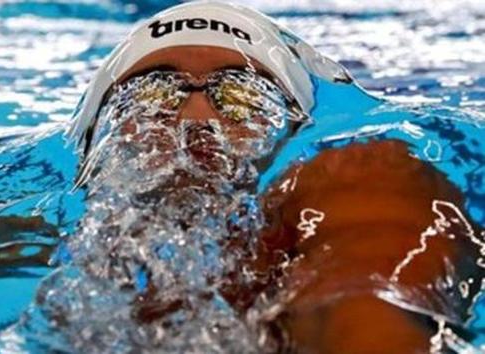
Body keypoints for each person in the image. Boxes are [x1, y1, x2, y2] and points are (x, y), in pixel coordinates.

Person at [51, 1, 484, 353]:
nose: (197, 118)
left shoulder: (355, 180)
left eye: (241, 94)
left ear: (295, 127)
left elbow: (362, 309)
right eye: (153, 94)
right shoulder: (35, 234)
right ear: (100, 131)